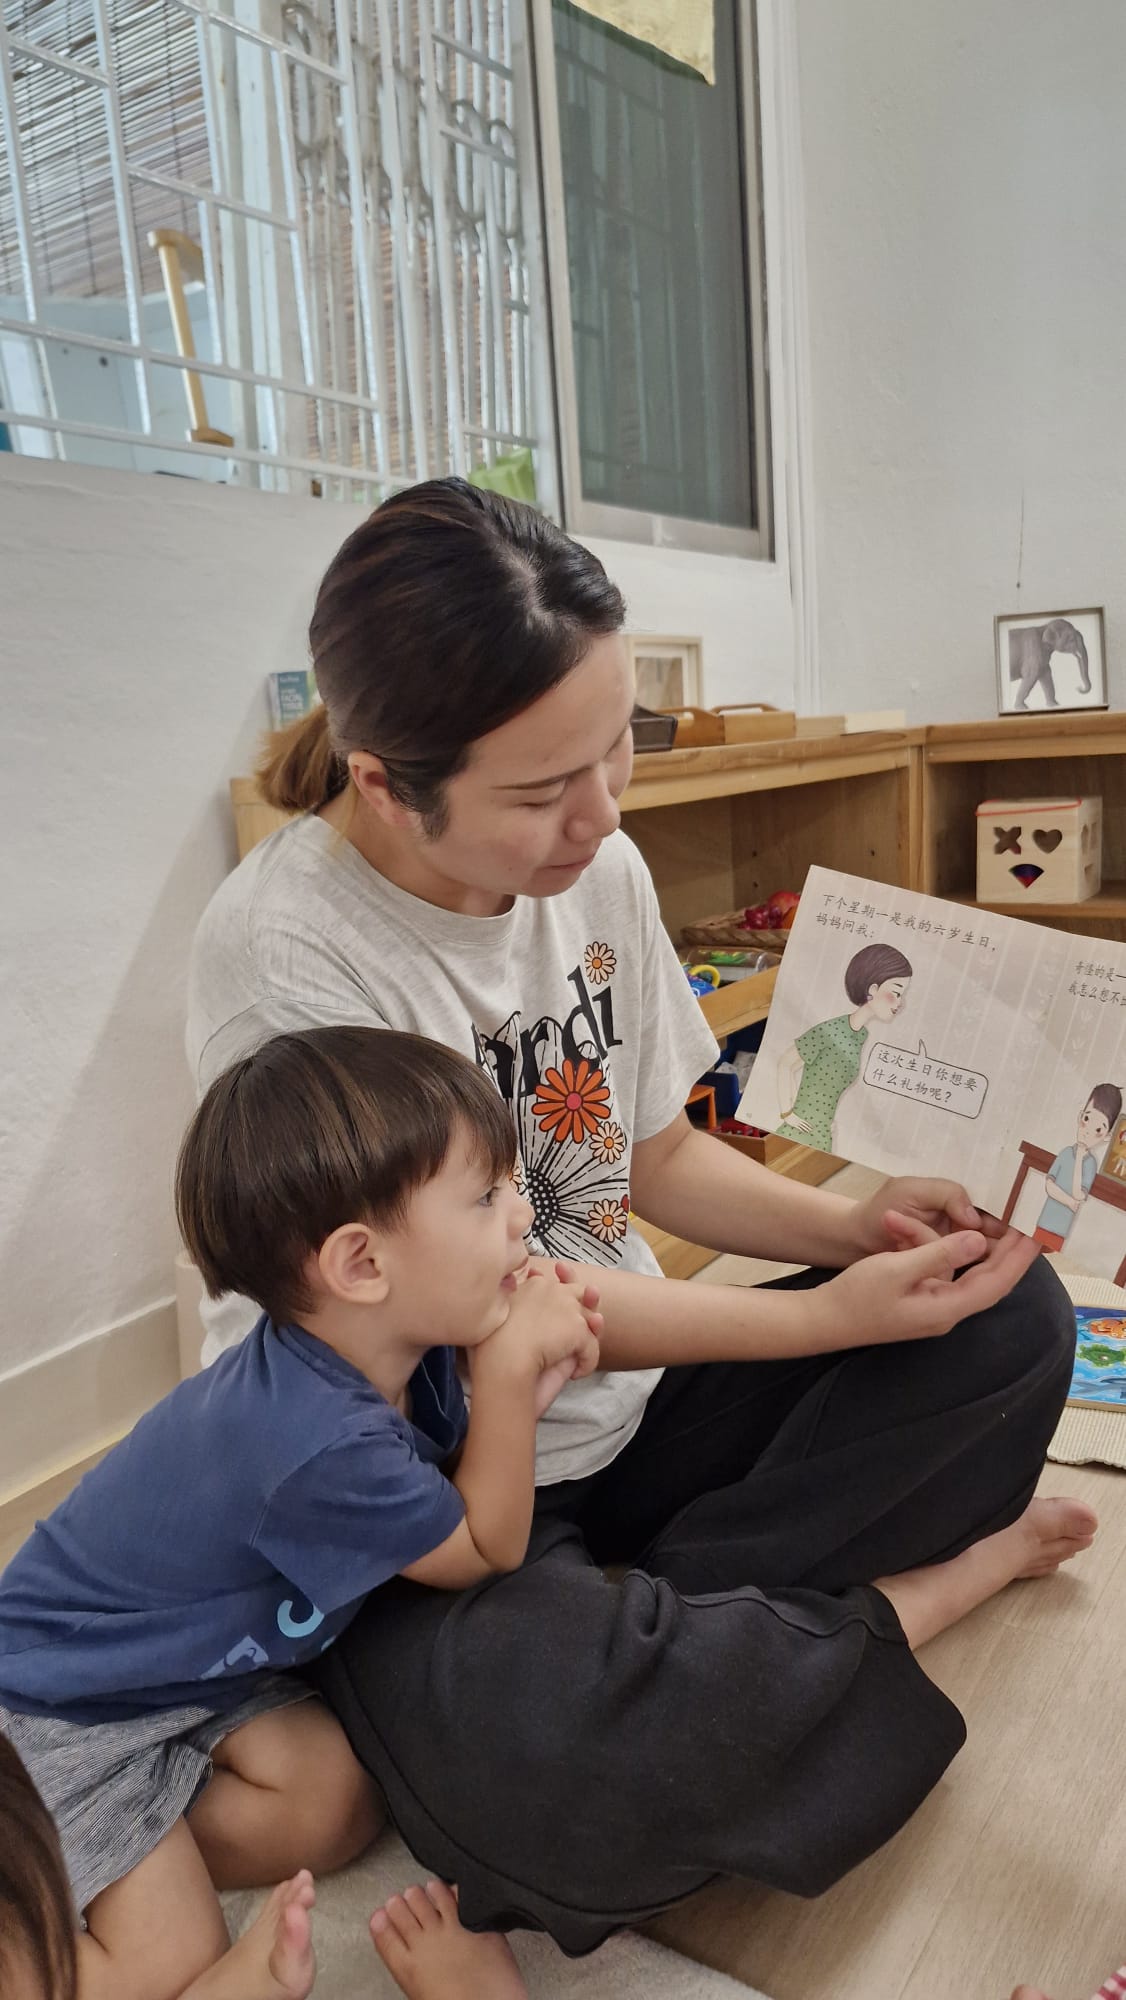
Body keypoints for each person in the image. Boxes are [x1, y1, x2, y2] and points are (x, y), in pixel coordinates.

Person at [187, 476, 1088, 1951]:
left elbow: (652, 1155)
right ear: (386, 783)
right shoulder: (289, 961)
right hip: (433, 1480)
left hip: (618, 1408)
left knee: (1013, 1322)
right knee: (553, 1767)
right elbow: (490, 1319)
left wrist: (859, 1234)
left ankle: (667, 1644)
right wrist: (827, 1321)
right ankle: (771, 1633)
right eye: (543, 789)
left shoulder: (595, 866)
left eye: (617, 749)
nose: (602, 816)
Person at [0, 1027, 600, 2000]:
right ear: (361, 1264)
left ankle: (108, 1844)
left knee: (336, 1805)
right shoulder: (320, 1441)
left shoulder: (389, 1348)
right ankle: (46, 1869)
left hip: (189, 1675)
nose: (523, 1213)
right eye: (486, 1196)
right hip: (53, 1702)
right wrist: (511, 1372)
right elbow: (486, 1545)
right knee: (170, 1959)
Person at [775, 940, 912, 1149]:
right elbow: (786, 1064)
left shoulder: (860, 1036)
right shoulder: (830, 1030)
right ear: (873, 988)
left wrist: (827, 1121)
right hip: (800, 1132)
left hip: (823, 1133)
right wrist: (788, 1113)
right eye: (896, 992)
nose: (900, 1003)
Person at [1033, 1083, 1123, 1251]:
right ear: (1080, 1116)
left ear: (1106, 1136)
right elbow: (1049, 1185)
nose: (1088, 1131)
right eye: (1086, 1120)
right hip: (1045, 1221)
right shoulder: (1066, 1153)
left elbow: (1078, 1194)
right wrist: (1068, 1201)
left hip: (1061, 1228)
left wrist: (1080, 1159)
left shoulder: (1090, 1164)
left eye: (1098, 1129)